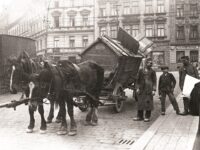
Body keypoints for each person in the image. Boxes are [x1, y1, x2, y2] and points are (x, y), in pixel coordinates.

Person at [133, 58, 157, 122]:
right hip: (141, 90)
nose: (150, 64)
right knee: (140, 103)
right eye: (149, 63)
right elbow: (137, 80)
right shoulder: (141, 71)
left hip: (149, 90)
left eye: (151, 63)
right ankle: (139, 116)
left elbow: (154, 81)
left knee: (148, 103)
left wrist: (154, 90)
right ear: (146, 63)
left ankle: (147, 117)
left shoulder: (152, 71)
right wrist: (137, 88)